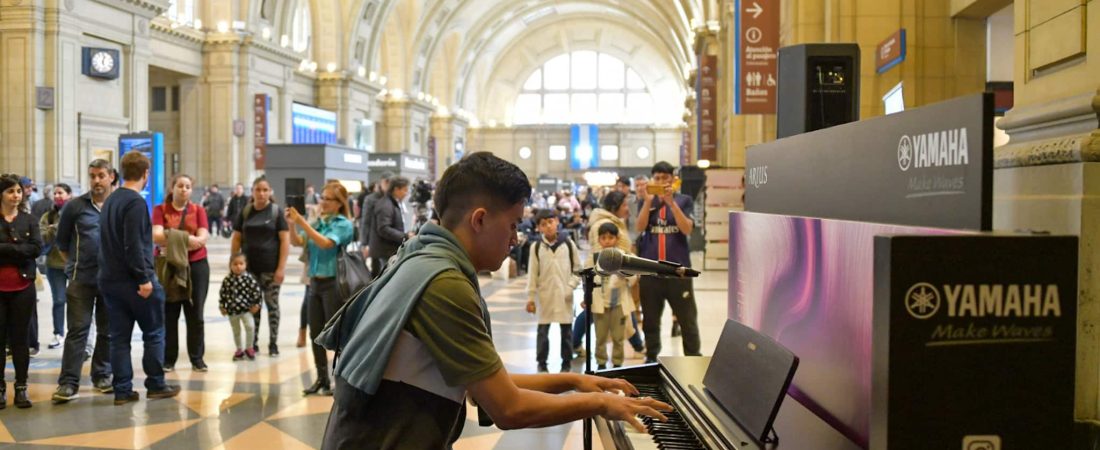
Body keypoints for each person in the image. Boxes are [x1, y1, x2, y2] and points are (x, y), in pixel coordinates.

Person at [317, 152, 670, 448]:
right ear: (480, 220)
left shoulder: (420, 259)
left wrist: (574, 381)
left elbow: (488, 381)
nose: (516, 238)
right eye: (513, 224)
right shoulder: (444, 285)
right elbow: (508, 408)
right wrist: (598, 403)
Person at [98, 151, 180, 405]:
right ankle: (155, 383)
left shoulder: (110, 201)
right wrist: (144, 278)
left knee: (119, 338)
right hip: (134, 281)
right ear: (146, 174)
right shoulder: (135, 203)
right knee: (154, 332)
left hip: (110, 280)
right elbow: (134, 245)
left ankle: (122, 389)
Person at [52, 160, 116, 404]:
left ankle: (102, 375)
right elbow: (62, 243)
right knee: (77, 331)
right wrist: (73, 267)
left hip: (111, 281)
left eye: (101, 175)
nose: (97, 180)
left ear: (111, 177)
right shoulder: (75, 207)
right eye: (92, 176)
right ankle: (68, 382)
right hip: (81, 280)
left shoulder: (118, 205)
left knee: (107, 331)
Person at [287, 182, 355, 396]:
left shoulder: (343, 224)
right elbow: (299, 242)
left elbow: (326, 243)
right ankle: (322, 379)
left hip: (333, 284)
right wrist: (292, 224)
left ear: (339, 204)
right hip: (314, 283)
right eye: (322, 197)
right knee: (316, 333)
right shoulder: (318, 222)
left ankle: (342, 380)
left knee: (336, 336)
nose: (322, 202)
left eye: (328, 199)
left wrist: (303, 223)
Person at [635, 161, 700, 363]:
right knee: (650, 321)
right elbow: (639, 227)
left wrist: (671, 204)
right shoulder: (646, 201)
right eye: (657, 178)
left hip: (678, 272)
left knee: (687, 320)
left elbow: (687, 229)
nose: (662, 182)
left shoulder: (684, 200)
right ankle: (651, 358)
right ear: (652, 180)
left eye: (665, 178)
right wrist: (647, 202)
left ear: (673, 179)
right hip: (650, 272)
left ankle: (693, 359)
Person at [573, 190, 645, 355]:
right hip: (608, 280)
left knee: (624, 309)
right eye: (624, 204)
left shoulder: (614, 221)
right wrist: (607, 280)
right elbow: (602, 256)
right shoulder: (602, 224)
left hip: (618, 276)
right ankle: (575, 343)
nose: (627, 208)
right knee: (594, 312)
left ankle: (638, 346)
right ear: (615, 206)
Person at [152, 174, 210, 373]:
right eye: (180, 186)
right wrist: (187, 239)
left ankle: (197, 358)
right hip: (169, 268)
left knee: (196, 314)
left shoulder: (198, 210)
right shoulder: (160, 210)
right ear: (172, 188)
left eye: (187, 186)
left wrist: (174, 241)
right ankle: (169, 359)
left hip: (197, 266)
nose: (183, 189)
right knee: (170, 314)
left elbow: (203, 237)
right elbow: (157, 236)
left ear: (191, 190)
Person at [231, 176, 290, 356]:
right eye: (258, 190)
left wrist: (281, 268)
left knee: (272, 307)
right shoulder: (246, 211)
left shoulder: (276, 212)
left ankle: (273, 343)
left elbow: (285, 240)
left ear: (270, 192)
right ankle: (252, 343)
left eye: (265, 190)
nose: (262, 193)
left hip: (270, 270)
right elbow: (237, 238)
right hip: (250, 271)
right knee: (252, 307)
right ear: (253, 191)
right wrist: (234, 263)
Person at [0, 174, 43, 408]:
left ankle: (21, 387)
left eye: (18, 191)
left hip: (22, 286)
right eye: (10, 191)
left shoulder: (29, 219)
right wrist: (18, 249)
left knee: (20, 340)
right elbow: (26, 249)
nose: (15, 195)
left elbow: (37, 248)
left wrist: (6, 250)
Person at [526, 209, 580, 373]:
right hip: (545, 295)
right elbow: (532, 274)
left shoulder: (569, 244)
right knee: (543, 331)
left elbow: (577, 270)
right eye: (543, 224)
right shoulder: (536, 247)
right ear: (539, 228)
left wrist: (570, 286)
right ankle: (542, 362)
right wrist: (530, 298)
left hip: (565, 295)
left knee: (566, 332)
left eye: (550, 222)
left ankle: (566, 362)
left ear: (557, 221)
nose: (548, 226)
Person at [590, 223, 637, 370]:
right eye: (603, 238)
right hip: (600, 305)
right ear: (599, 240)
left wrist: (623, 273)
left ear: (617, 238)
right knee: (600, 337)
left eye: (611, 237)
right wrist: (586, 298)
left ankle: (617, 364)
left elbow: (634, 277)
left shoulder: (624, 257)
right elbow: (586, 279)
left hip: (618, 304)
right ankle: (601, 363)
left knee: (618, 337)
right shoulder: (594, 258)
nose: (607, 241)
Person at [40, 183, 73, 350]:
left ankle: (76, 333)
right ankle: (58, 333)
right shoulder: (48, 216)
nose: (57, 196)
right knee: (59, 300)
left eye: (61, 193)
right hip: (54, 264)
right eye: (55, 193)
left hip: (72, 263)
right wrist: (54, 229)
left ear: (69, 195)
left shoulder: (74, 213)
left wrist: (58, 228)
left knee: (76, 301)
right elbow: (41, 235)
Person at [219, 253, 262, 361]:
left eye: (241, 264)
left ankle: (249, 348)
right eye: (235, 264)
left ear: (245, 265)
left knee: (250, 327)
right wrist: (222, 306)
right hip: (232, 311)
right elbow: (223, 294)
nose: (238, 266)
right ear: (230, 265)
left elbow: (257, 293)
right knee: (236, 330)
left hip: (246, 310)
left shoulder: (249, 279)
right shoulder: (227, 280)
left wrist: (257, 304)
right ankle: (239, 349)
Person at [369, 176, 411, 277]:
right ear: (396, 189)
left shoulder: (391, 202)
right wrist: (405, 236)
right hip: (385, 251)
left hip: (389, 249)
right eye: (405, 190)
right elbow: (383, 228)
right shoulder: (386, 205)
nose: (406, 193)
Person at [359, 171, 393, 276]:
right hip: (375, 241)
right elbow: (365, 221)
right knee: (376, 271)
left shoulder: (392, 198)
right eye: (386, 182)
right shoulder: (371, 199)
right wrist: (364, 243)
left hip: (390, 240)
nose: (388, 185)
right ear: (381, 182)